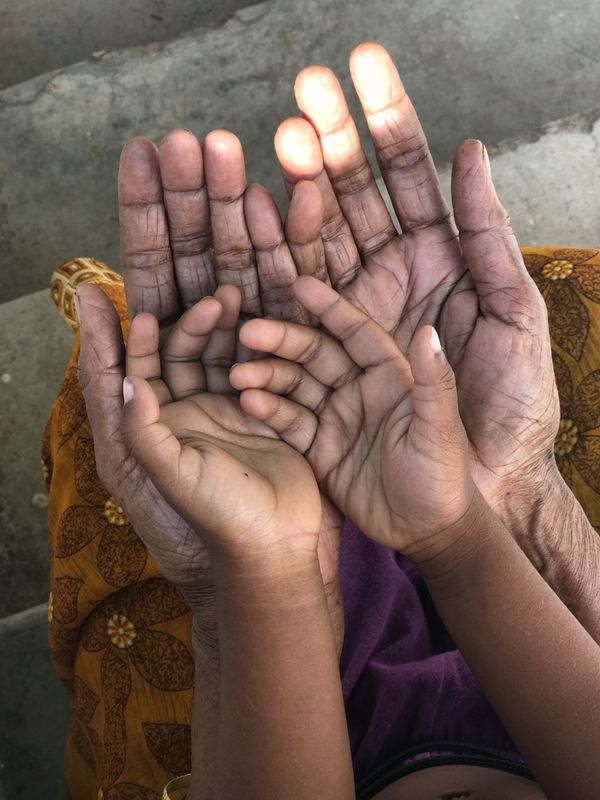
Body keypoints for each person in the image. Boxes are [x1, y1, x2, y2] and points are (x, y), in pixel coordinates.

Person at [43, 42, 600, 799]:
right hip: (541, 642)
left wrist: (261, 563)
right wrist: (484, 510)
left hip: (277, 712)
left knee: (111, 407)